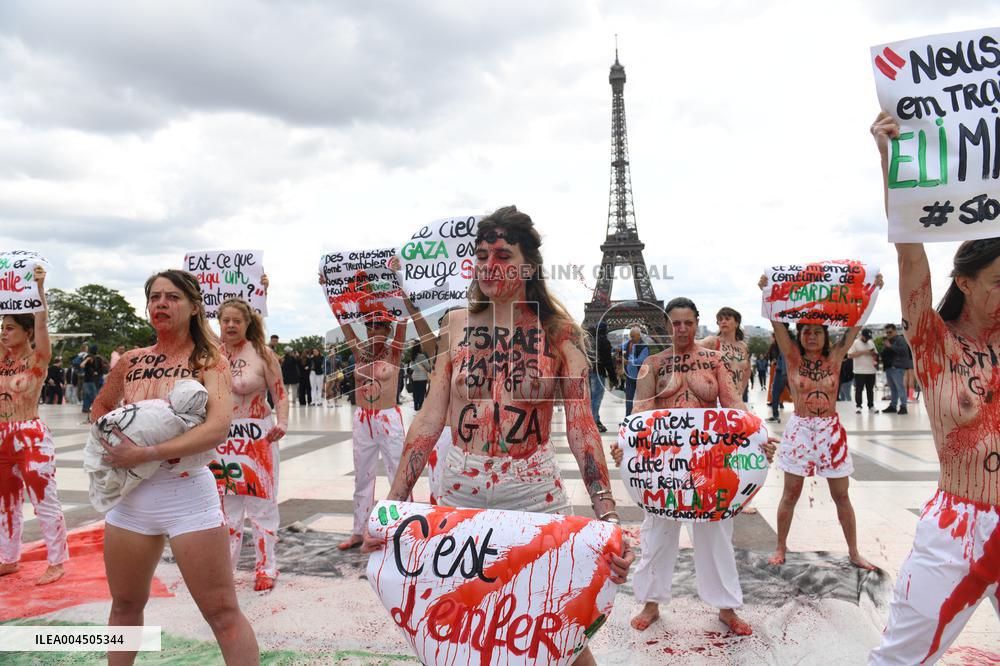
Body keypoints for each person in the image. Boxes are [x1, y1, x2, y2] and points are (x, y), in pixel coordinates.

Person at [362, 206, 633, 666]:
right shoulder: (456, 325)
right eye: (481, 255)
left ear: (528, 265)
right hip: (460, 491)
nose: (489, 265)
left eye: (502, 254)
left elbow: (583, 428)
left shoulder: (559, 332)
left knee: (555, 625)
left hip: (532, 494)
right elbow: (431, 417)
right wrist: (395, 502)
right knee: (463, 620)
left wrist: (607, 515)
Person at [868, 112, 1000, 665]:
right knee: (901, 658)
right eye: (999, 284)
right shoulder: (932, 342)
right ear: (964, 284)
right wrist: (891, 162)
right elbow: (909, 253)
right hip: (958, 527)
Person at [92, 269, 259, 665]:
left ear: (194, 306)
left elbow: (217, 429)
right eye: (154, 297)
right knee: (125, 605)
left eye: (172, 297)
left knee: (222, 612)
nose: (161, 304)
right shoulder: (131, 361)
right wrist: (113, 436)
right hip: (131, 500)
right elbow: (100, 410)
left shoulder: (209, 360)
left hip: (187, 495)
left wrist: (146, 453)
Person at [609, 297, 776, 637]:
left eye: (687, 322)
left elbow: (734, 407)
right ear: (666, 325)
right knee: (657, 534)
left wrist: (758, 439)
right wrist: (624, 445)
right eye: (675, 323)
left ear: (697, 322)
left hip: (708, 463)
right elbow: (640, 414)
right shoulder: (653, 364)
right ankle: (651, 603)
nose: (681, 329)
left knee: (716, 536)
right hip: (663, 465)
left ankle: (727, 607)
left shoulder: (714, 361)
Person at [758, 274, 877, 572]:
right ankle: (781, 545)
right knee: (790, 493)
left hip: (830, 432)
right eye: (806, 331)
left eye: (817, 332)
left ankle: (853, 551)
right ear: (799, 335)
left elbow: (857, 324)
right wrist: (767, 291)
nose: (811, 336)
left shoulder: (836, 356)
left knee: (841, 495)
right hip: (800, 429)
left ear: (826, 337)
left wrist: (871, 290)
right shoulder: (792, 358)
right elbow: (776, 324)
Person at [320, 272, 409, 550]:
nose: (375, 331)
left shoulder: (394, 352)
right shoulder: (359, 353)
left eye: (381, 326)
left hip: (387, 419)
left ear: (389, 329)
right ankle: (359, 530)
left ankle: (403, 531)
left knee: (398, 474)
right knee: (362, 476)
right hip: (362, 420)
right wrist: (329, 291)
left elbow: (404, 315)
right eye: (370, 326)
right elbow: (342, 320)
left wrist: (398, 279)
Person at [0, 265, 69, 585]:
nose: (4, 332)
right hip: (2, 437)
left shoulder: (37, 358)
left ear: (26, 332)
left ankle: (56, 561)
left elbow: (42, 323)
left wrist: (39, 290)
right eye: (2, 326)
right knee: (5, 502)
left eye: (10, 327)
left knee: (44, 499)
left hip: (30, 435)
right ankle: (8, 557)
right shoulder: (1, 359)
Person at [217, 298, 288, 591]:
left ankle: (266, 567)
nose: (231, 325)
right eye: (226, 320)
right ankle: (225, 571)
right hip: (224, 439)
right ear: (218, 323)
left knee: (262, 506)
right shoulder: (211, 355)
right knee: (226, 509)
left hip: (258, 436)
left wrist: (282, 423)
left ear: (248, 323)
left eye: (237, 320)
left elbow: (280, 394)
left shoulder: (263, 354)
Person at [698, 306, 751, 403]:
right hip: (716, 400)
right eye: (720, 319)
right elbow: (692, 345)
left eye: (727, 319)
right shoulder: (712, 342)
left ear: (737, 323)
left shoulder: (743, 346)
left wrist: (741, 390)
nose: (723, 321)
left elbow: (747, 370)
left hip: (736, 399)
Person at [881, 323, 912, 414]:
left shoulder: (900, 339)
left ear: (895, 331)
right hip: (889, 367)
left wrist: (890, 346)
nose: (888, 334)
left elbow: (903, 351)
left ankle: (903, 406)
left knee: (900, 387)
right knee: (893, 388)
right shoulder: (889, 341)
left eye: (890, 332)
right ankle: (893, 406)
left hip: (897, 367)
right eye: (887, 332)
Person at [622, 325, 649, 415]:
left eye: (633, 336)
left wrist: (628, 362)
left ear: (639, 335)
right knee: (629, 399)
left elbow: (640, 361)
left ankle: (640, 418)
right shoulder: (629, 343)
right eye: (630, 336)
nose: (631, 338)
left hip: (640, 377)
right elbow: (620, 347)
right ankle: (628, 418)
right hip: (630, 376)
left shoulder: (644, 347)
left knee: (641, 400)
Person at [849, 329, 878, 414]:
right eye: (866, 337)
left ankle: (871, 406)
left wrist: (873, 354)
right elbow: (850, 355)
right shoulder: (855, 343)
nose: (867, 339)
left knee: (870, 390)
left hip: (871, 370)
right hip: (859, 371)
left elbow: (876, 354)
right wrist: (863, 352)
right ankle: (858, 406)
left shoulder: (871, 343)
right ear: (862, 335)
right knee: (859, 389)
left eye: (869, 338)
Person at [767, 335, 789, 424]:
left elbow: (781, 357)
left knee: (775, 392)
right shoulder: (788, 342)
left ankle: (775, 415)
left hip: (781, 371)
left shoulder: (780, 344)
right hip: (788, 370)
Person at [80, 344, 103, 418]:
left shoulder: (89, 357)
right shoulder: (97, 358)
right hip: (94, 380)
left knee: (87, 395)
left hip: (88, 379)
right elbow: (102, 369)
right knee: (94, 395)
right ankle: (94, 408)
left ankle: (86, 408)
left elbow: (82, 366)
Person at [408, 341, 431, 411]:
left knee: (415, 392)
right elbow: (427, 366)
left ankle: (415, 405)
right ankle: (420, 405)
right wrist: (429, 369)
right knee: (422, 392)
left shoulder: (412, 357)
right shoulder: (422, 356)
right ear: (419, 348)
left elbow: (412, 367)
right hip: (422, 377)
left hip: (415, 377)